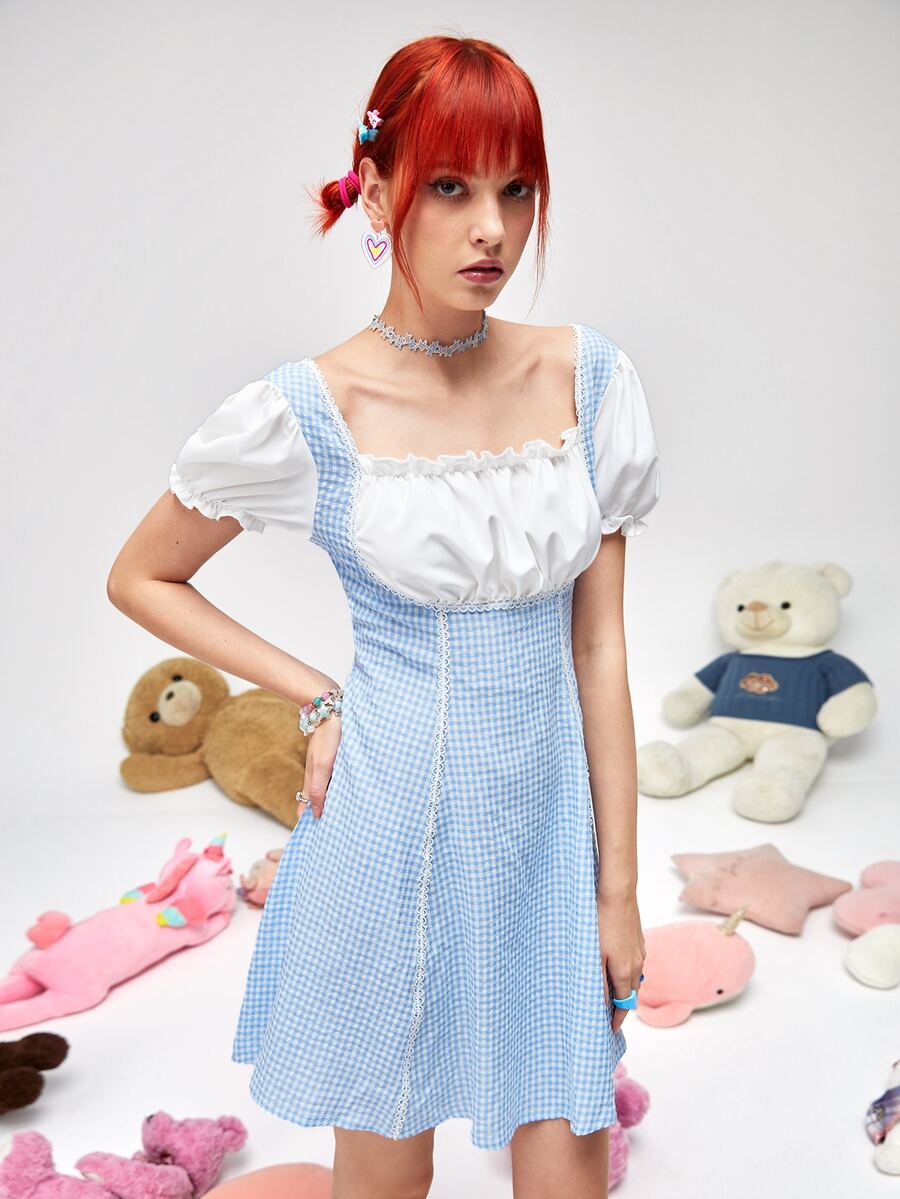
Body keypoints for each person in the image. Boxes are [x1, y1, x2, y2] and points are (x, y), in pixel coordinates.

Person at [107, 32, 660, 1199]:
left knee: (568, 1175)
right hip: (383, 830)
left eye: (517, 189)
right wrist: (315, 691)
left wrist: (617, 888)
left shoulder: (588, 379)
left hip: (547, 844)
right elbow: (142, 574)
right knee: (384, 1183)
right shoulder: (313, 406)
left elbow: (600, 646)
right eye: (450, 187)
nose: (492, 230)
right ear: (374, 188)